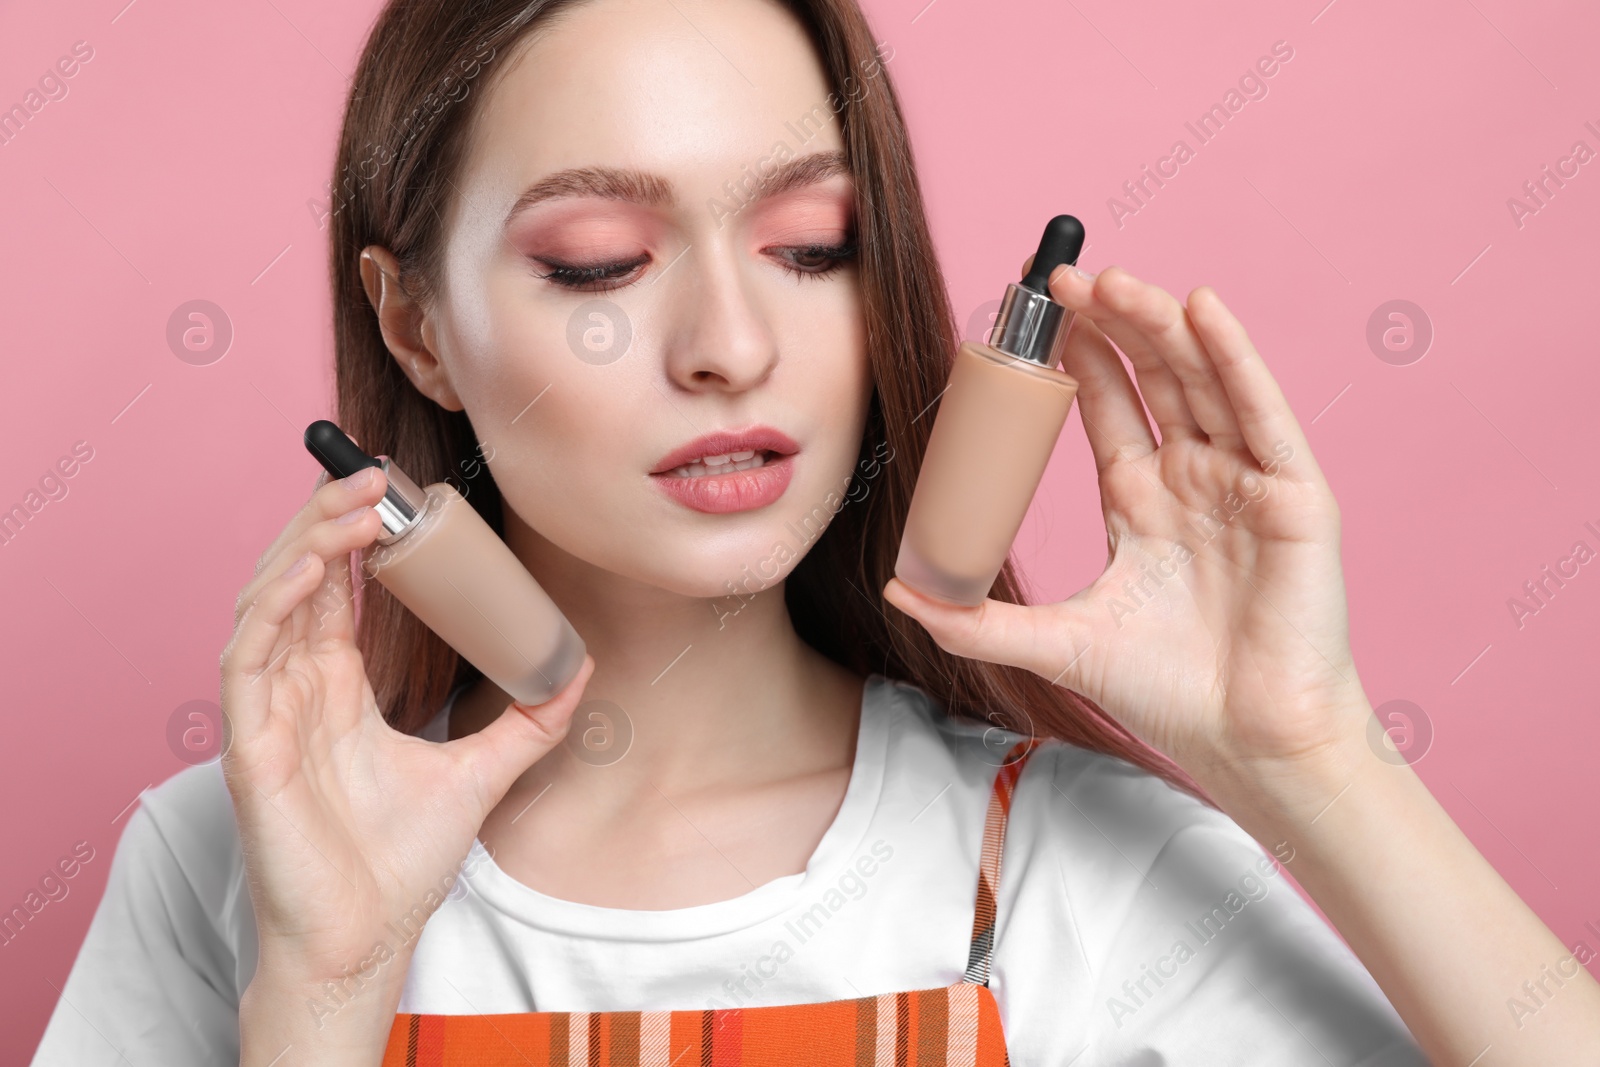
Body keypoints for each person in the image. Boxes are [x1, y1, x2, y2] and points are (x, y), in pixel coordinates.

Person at [31, 0, 1600, 1063]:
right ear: (417, 328)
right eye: (596, 262)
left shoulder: (1070, 868)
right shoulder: (233, 865)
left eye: (809, 244)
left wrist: (1313, 751)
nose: (730, 341)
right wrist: (328, 986)